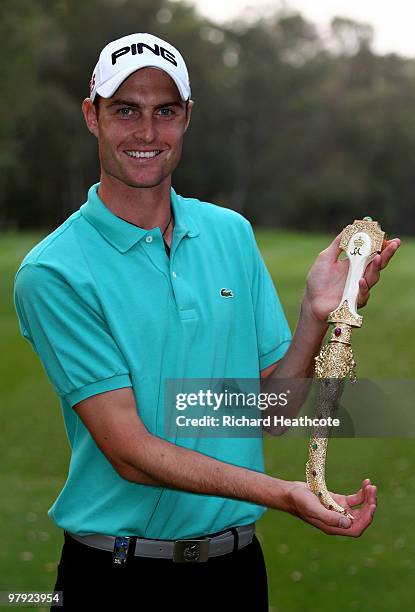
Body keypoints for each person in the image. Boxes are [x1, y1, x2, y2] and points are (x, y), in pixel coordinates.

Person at [13, 32, 400, 610]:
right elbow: (131, 452)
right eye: (126, 110)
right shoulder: (54, 272)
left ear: (187, 118)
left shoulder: (230, 234)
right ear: (91, 115)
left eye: (165, 112)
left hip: (236, 574)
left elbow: (266, 414)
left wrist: (313, 320)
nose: (147, 133)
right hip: (117, 575)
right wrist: (287, 494)